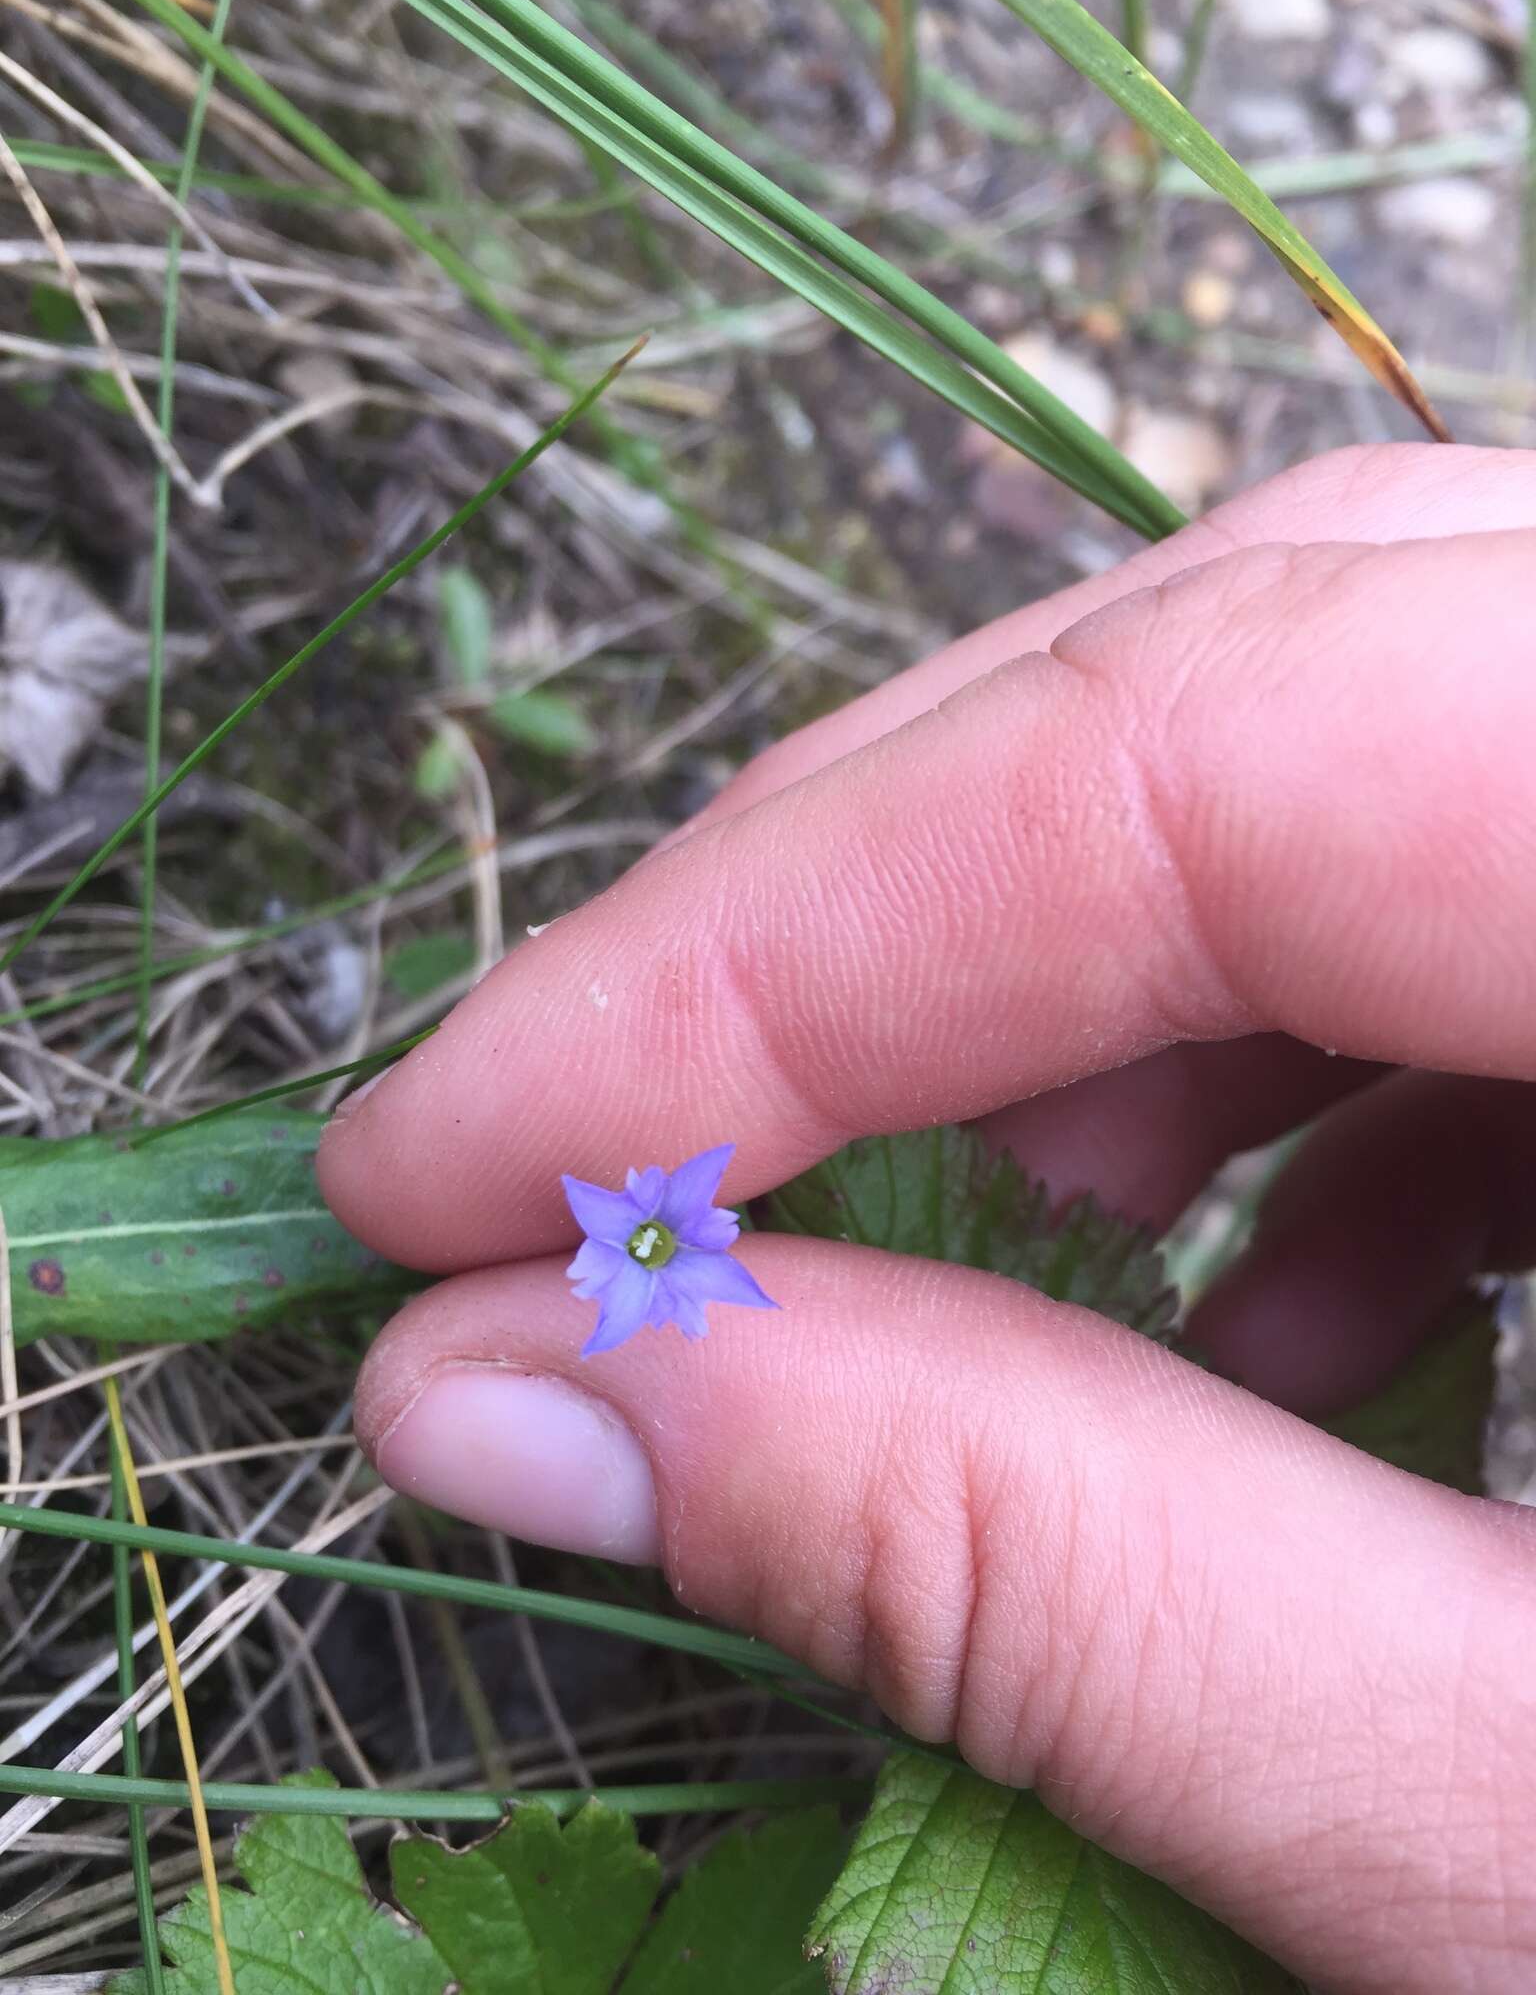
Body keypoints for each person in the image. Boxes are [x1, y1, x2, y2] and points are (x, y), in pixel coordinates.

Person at [318, 443, 1536, 1995]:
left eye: (649, 1246)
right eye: (636, 1246)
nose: (641, 1250)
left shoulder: (667, 1253)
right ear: (631, 1237)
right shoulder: (650, 1243)